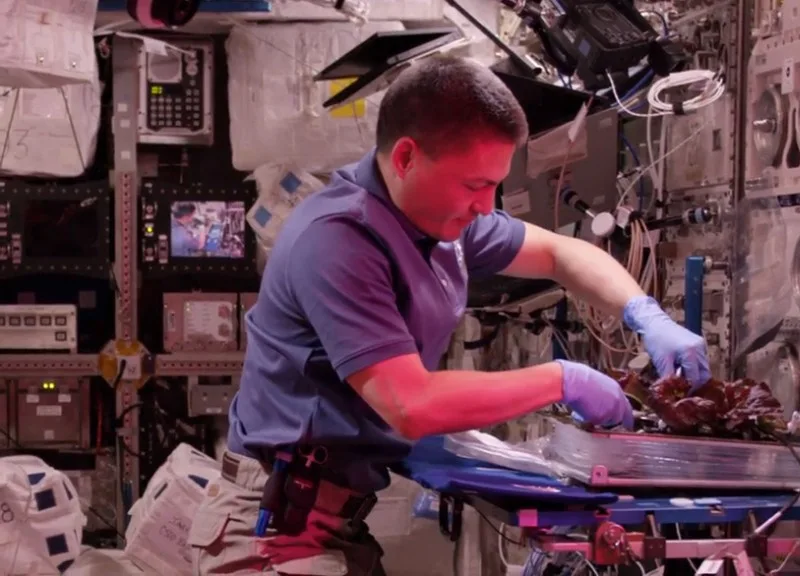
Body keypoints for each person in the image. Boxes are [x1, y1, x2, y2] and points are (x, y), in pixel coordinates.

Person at [187, 55, 710, 575]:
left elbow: (559, 254)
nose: (487, 206)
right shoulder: (340, 239)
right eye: (474, 184)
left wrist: (645, 314)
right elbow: (409, 404)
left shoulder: (440, 220)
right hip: (278, 531)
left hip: (331, 522)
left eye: (495, 185)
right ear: (407, 157)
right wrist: (562, 379)